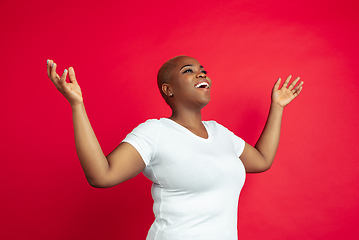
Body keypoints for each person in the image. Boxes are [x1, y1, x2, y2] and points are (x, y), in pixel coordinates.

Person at [47, 56, 303, 240]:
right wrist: (77, 106)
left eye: (203, 70)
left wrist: (277, 107)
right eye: (189, 71)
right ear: (167, 89)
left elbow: (261, 160)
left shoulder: (220, 133)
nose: (201, 74)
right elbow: (101, 176)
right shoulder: (155, 132)